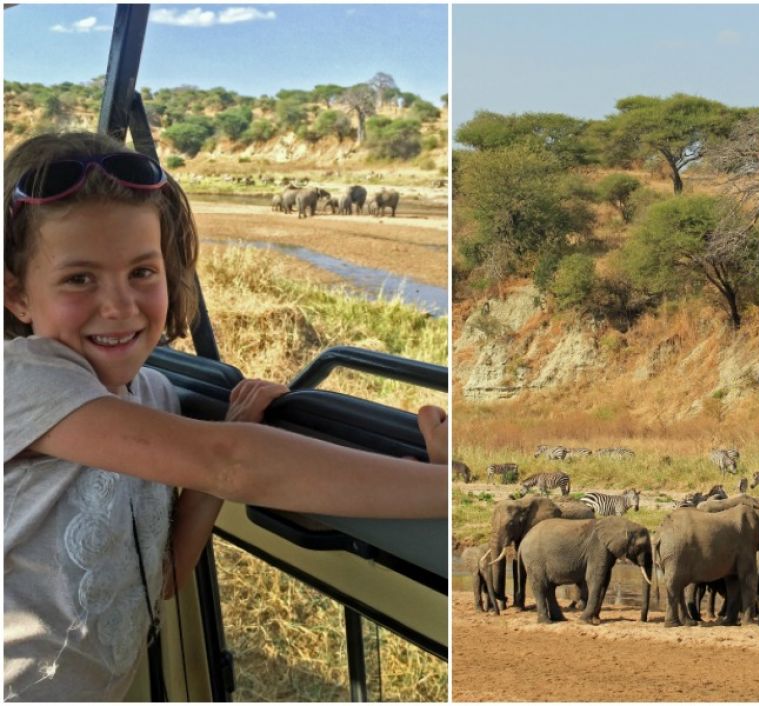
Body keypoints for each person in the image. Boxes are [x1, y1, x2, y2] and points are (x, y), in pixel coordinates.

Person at [3, 132, 448, 700]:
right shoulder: (21, 380)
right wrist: (448, 491)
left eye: (143, 272)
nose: (119, 305)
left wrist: (230, 434)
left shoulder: (157, 396)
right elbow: (231, 465)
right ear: (17, 295)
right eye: (78, 278)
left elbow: (163, 577)